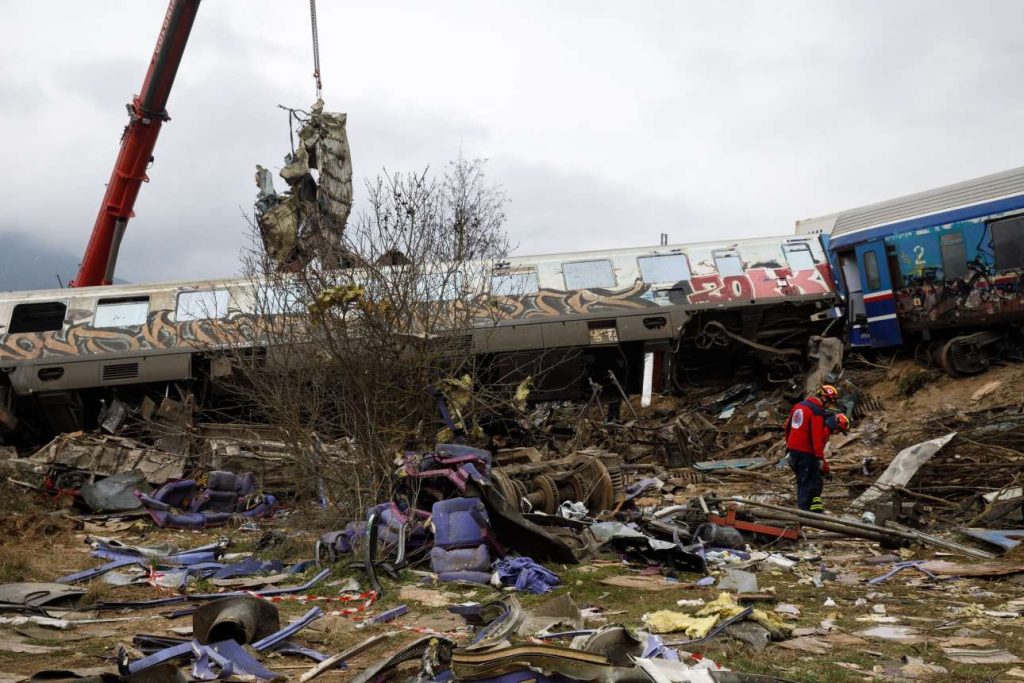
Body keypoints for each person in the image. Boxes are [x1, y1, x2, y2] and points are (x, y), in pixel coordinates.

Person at [784, 385, 849, 513]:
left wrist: (789, 447)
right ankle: (805, 514)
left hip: (794, 450)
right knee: (808, 483)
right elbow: (816, 437)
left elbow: (787, 427)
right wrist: (819, 459)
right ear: (825, 398)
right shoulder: (817, 411)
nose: (829, 406)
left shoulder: (799, 405)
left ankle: (808, 511)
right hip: (806, 452)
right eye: (830, 402)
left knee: (803, 481)